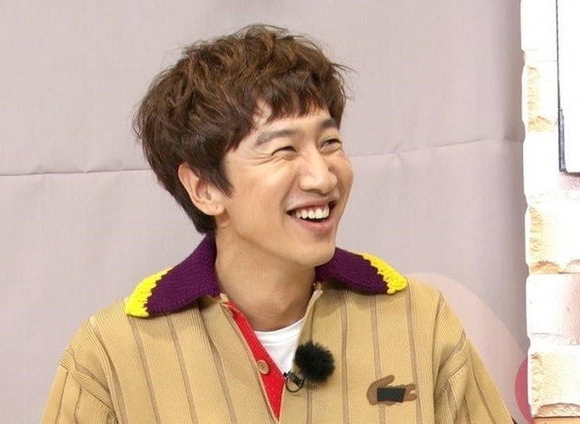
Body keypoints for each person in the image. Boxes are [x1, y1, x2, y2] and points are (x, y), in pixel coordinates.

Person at [42, 25, 512, 423]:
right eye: (283, 150)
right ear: (204, 188)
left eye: (329, 143)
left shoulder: (420, 319)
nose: (322, 177)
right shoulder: (109, 353)